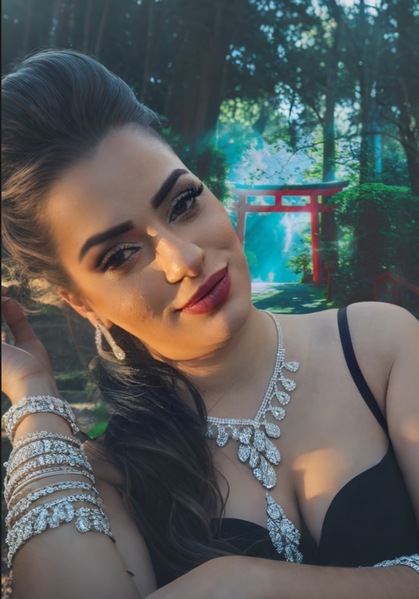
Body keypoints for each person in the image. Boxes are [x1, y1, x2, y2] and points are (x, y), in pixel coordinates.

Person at [1, 49, 418, 599]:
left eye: (182, 204)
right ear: (80, 302)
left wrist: (256, 583)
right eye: (121, 255)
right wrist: (33, 398)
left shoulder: (378, 347)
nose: (184, 259)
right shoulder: (113, 477)